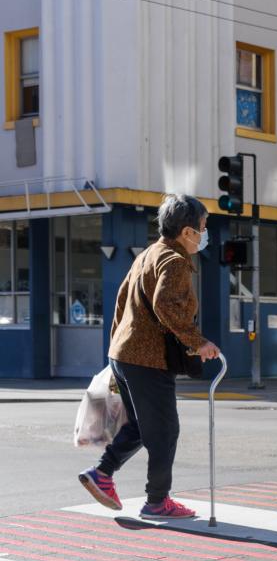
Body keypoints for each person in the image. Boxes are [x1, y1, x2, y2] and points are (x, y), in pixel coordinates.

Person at [77, 193, 221, 520]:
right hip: (147, 359)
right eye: (202, 227)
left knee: (145, 427)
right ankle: (158, 501)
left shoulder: (147, 255)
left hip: (126, 354)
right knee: (165, 430)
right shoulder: (173, 260)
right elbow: (165, 306)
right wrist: (197, 342)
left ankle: (102, 474)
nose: (204, 233)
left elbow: (121, 302)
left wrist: (117, 350)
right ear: (187, 232)